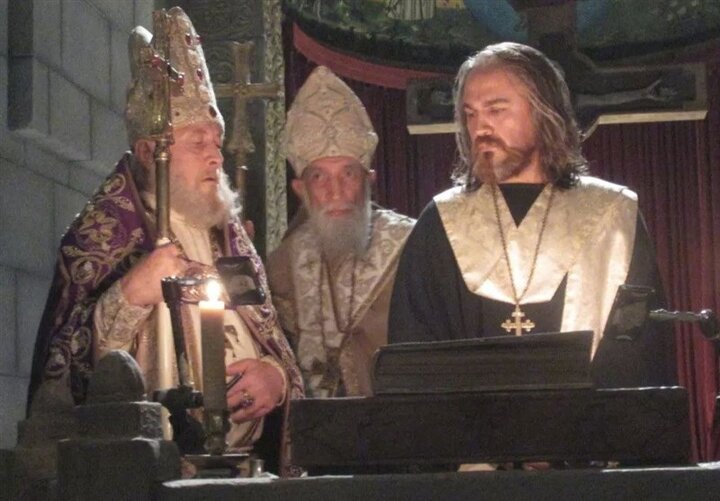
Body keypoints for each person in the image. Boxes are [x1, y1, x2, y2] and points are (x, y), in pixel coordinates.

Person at [26, 7, 303, 475]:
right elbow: (66, 375)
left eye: (216, 141)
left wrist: (275, 379)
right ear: (150, 150)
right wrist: (129, 295)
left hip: (244, 470)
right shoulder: (101, 237)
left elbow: (272, 339)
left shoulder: (228, 236)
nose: (216, 156)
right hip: (147, 475)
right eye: (198, 142)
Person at [388, 42, 675, 388]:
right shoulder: (440, 222)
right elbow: (413, 360)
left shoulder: (612, 216)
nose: (480, 128)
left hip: (591, 419)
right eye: (470, 114)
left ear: (543, 111)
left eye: (496, 110)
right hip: (470, 422)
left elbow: (641, 354)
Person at [267, 66, 415, 398]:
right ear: (300, 189)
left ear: (369, 180)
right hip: (317, 423)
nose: (335, 191)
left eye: (348, 174)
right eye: (319, 177)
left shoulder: (413, 246)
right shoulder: (282, 265)